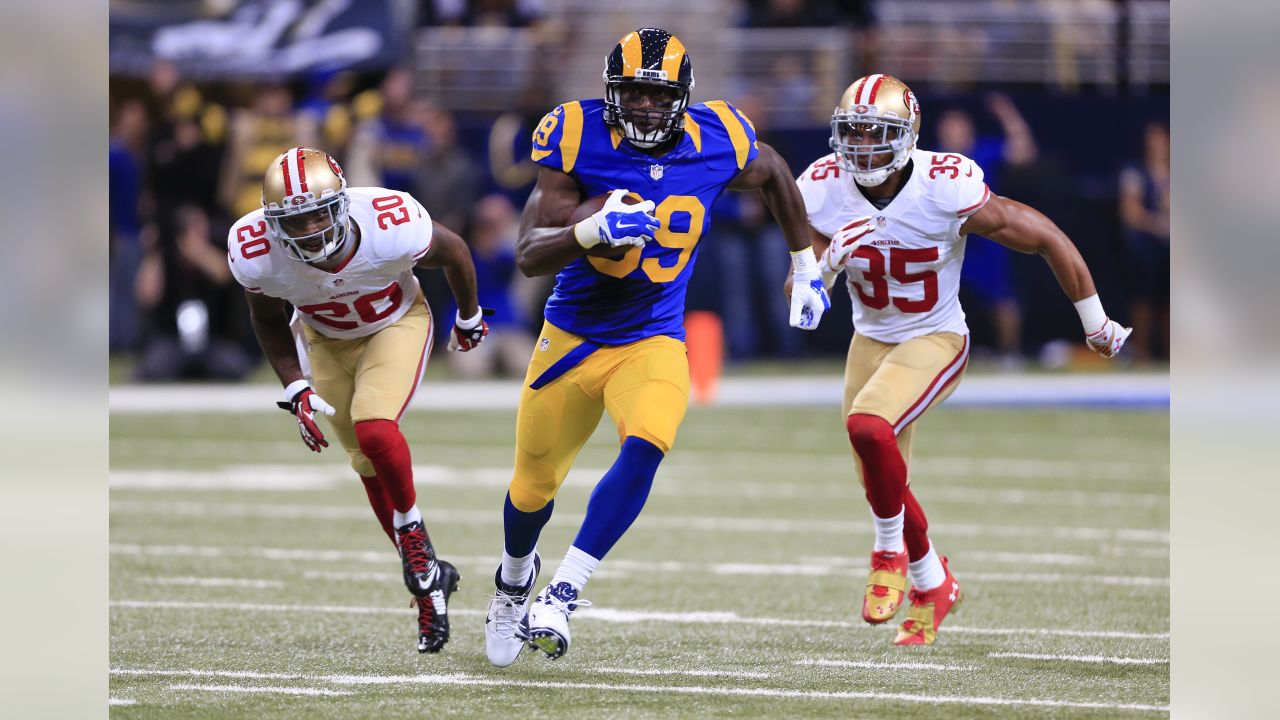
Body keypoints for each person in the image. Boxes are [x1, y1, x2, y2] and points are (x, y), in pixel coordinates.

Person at [483, 27, 832, 667]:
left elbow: (776, 170)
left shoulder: (718, 136)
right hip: (571, 338)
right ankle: (511, 582)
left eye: (658, 94)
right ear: (612, 92)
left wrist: (804, 261)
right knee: (532, 487)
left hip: (653, 335)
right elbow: (530, 255)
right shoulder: (573, 134)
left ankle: (563, 592)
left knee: (648, 441)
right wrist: (589, 230)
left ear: (683, 96)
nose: (645, 106)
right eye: (634, 93)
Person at [794, 74, 1131, 646]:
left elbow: (1045, 235)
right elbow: (799, 306)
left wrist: (1093, 320)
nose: (862, 147)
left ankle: (887, 555)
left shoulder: (942, 187)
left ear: (907, 136)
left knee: (868, 427)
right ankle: (933, 583)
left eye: (877, 134)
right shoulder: (822, 188)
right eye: (852, 133)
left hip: (935, 337)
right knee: (880, 475)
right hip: (869, 339)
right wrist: (821, 267)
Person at [226, 147, 491, 653]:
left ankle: (414, 541)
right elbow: (264, 317)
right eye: (293, 221)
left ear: (342, 205)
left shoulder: (388, 221)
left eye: (316, 215)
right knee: (365, 464)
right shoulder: (254, 246)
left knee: (374, 427)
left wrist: (469, 316)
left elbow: (455, 249)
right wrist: (294, 384)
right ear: (272, 221)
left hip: (397, 323)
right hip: (323, 340)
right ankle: (430, 585)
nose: (306, 231)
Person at [1118, 121, 1170, 362]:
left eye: (1160, 139)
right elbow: (1131, 213)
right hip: (1147, 248)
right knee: (1144, 301)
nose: (1156, 145)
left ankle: (1172, 354)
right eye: (1152, 139)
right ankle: (1141, 353)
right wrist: (1158, 224)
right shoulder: (1135, 172)